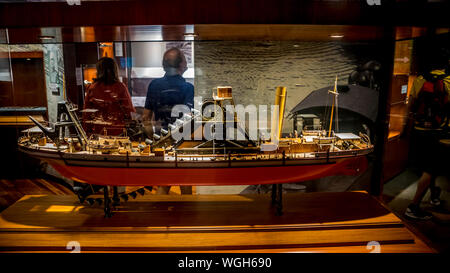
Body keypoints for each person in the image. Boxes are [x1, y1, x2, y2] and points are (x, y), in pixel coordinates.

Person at [143, 47, 194, 195]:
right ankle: (187, 217)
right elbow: (189, 120)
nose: (186, 63)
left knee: (163, 184)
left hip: (161, 142)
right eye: (185, 60)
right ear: (181, 65)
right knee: (185, 185)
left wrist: (152, 141)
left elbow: (146, 117)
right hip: (182, 143)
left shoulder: (154, 85)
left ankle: (159, 217)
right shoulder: (188, 88)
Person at [404, 61, 449, 220]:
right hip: (440, 131)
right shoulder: (449, 81)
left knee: (429, 166)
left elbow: (411, 103)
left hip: (420, 129)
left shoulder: (421, 78)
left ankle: (434, 195)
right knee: (431, 169)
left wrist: (405, 127)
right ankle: (413, 206)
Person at [83, 57, 136, 136]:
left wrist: (86, 133)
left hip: (98, 132)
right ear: (114, 70)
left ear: (99, 70)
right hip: (118, 132)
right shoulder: (120, 87)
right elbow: (129, 111)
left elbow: (86, 115)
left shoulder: (92, 88)